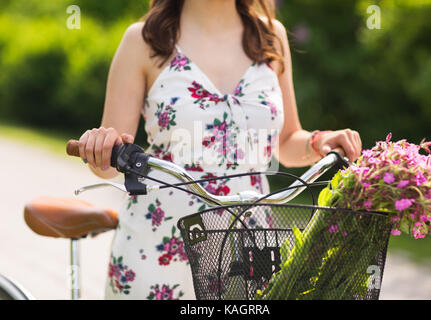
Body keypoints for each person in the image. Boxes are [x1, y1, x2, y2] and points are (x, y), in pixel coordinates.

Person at [77, 0, 362, 300]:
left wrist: (320, 142)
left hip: (250, 247)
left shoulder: (270, 37)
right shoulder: (144, 40)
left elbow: (286, 141)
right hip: (159, 247)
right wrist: (101, 147)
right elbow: (109, 162)